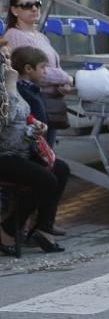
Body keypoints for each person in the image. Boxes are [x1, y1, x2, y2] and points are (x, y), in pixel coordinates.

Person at [0, 44, 70, 257]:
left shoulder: (11, 86)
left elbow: (19, 121)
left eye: (7, 58)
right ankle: (8, 229)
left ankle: (43, 229)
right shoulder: (8, 87)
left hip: (19, 150)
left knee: (60, 169)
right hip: (5, 155)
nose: (7, 62)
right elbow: (6, 120)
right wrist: (11, 84)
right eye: (3, 59)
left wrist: (34, 129)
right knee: (45, 180)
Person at [5, 0, 75, 142]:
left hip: (50, 102)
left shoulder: (41, 37)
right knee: (41, 154)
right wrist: (67, 78)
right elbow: (32, 72)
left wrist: (62, 87)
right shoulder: (14, 36)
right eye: (27, 5)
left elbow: (52, 68)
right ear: (15, 10)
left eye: (37, 4)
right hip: (32, 103)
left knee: (48, 154)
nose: (34, 8)